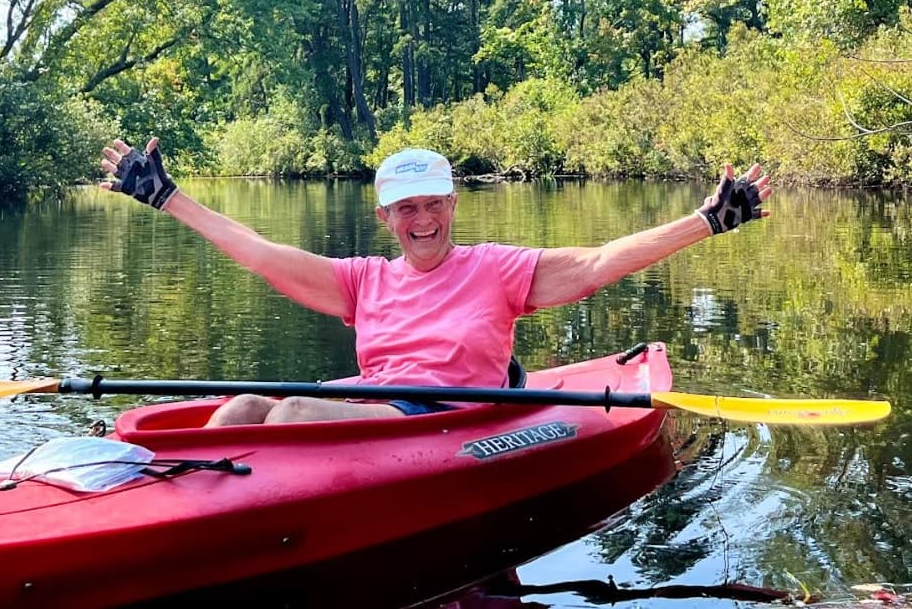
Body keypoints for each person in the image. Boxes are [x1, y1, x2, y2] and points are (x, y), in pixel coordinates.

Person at [100, 137, 771, 427]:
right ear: (386, 217)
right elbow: (256, 250)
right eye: (406, 209)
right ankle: (189, 492)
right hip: (375, 406)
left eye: (432, 205)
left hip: (449, 418)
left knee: (295, 411)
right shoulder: (361, 281)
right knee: (247, 407)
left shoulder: (497, 269)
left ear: (451, 204)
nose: (422, 221)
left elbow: (598, 262)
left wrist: (706, 221)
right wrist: (168, 198)